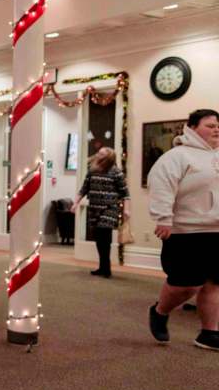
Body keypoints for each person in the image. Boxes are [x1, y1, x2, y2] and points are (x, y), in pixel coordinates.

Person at [147, 109, 219, 351]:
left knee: (214, 283)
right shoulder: (176, 156)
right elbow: (162, 186)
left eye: (218, 125)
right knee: (185, 285)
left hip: (217, 230)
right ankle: (160, 311)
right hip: (185, 231)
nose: (216, 129)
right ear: (192, 127)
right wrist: (163, 218)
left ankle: (209, 333)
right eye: (210, 125)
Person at [70, 147, 130, 278]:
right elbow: (84, 189)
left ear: (108, 157)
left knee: (105, 237)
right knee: (99, 240)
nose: (98, 154)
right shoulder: (92, 171)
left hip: (109, 209)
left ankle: (106, 268)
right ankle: (102, 267)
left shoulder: (116, 172)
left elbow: (125, 194)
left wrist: (126, 209)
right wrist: (75, 203)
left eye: (101, 153)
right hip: (94, 209)